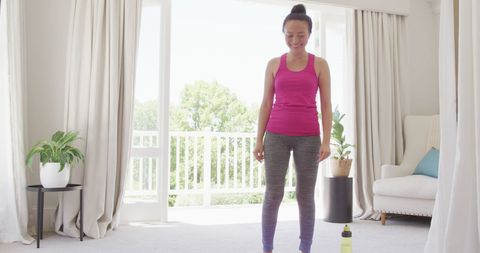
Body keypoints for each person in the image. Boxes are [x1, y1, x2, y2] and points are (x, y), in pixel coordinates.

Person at [253, 4, 332, 253]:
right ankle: (267, 247)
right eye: (289, 34)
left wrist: (327, 141)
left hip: (309, 137)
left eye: (300, 35)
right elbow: (266, 104)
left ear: (309, 34)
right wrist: (258, 140)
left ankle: (305, 247)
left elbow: (327, 106)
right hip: (275, 135)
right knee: (273, 194)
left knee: (305, 196)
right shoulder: (274, 64)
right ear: (283, 34)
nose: (295, 40)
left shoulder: (320, 65)